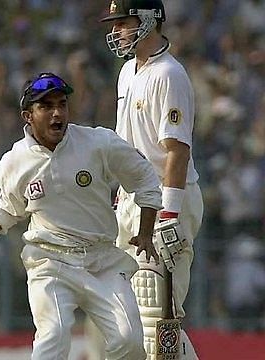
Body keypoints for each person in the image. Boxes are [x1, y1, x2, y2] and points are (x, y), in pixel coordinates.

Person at [0, 72, 162, 360]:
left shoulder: (98, 143)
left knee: (130, 341)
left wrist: (145, 232)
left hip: (103, 260)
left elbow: (145, 177)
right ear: (28, 116)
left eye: (62, 104)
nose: (57, 113)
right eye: (46, 106)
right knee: (53, 337)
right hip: (50, 261)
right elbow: (6, 210)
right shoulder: (15, 161)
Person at [100, 1, 204, 358]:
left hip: (164, 198)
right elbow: (123, 144)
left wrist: (170, 215)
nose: (115, 31)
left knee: (156, 315)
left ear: (148, 20)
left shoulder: (169, 74)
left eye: (123, 23)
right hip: (134, 200)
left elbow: (176, 150)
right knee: (126, 314)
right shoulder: (128, 71)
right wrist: (118, 197)